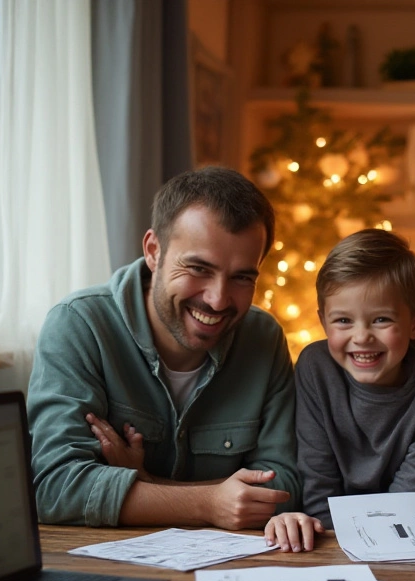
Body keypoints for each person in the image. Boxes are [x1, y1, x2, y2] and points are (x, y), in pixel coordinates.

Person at [29, 166, 299, 529]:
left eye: (241, 277)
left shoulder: (263, 338)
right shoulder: (79, 325)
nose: (218, 300)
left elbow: (282, 487)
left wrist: (149, 483)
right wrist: (208, 503)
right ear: (154, 251)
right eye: (199, 269)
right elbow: (57, 488)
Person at [263, 229, 415, 552]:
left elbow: (412, 496)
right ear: (323, 321)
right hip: (328, 539)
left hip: (402, 541)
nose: (362, 336)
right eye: (343, 321)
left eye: (381, 319)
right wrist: (332, 544)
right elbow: (317, 482)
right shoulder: (314, 369)